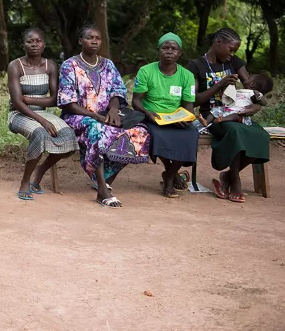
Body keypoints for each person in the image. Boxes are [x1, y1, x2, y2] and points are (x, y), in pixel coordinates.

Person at [58, 25, 151, 207]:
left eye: (97, 38)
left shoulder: (108, 64)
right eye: (89, 37)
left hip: (107, 115)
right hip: (77, 116)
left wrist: (114, 110)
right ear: (80, 41)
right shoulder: (69, 65)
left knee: (140, 132)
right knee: (97, 130)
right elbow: (68, 102)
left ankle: (104, 179)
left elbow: (117, 91)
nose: (94, 41)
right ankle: (102, 190)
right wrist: (96, 116)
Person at [186, 28, 271, 203]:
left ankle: (228, 176)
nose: (232, 54)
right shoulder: (196, 66)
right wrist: (219, 85)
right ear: (218, 43)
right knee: (236, 131)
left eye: (235, 51)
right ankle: (236, 180)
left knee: (262, 136)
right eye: (230, 49)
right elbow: (193, 100)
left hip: (238, 114)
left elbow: (250, 87)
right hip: (213, 116)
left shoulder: (235, 63)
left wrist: (256, 105)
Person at [7, 27, 79, 200]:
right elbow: (17, 102)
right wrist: (42, 121)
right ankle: (25, 181)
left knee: (70, 136)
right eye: (30, 41)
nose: (34, 44)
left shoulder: (50, 66)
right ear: (23, 45)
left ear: (44, 44)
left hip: (41, 112)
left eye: (38, 41)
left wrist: (31, 101)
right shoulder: (15, 66)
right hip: (18, 114)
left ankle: (40, 170)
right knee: (40, 134)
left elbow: (55, 99)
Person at [131, 33, 199, 198]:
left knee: (190, 135)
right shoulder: (146, 71)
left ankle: (169, 173)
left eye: (173, 48)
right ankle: (170, 179)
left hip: (175, 118)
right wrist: (147, 112)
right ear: (159, 50)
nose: (169, 51)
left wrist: (183, 118)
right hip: (151, 116)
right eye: (165, 48)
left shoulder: (187, 76)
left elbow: (188, 106)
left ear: (180, 53)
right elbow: (136, 101)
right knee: (160, 135)